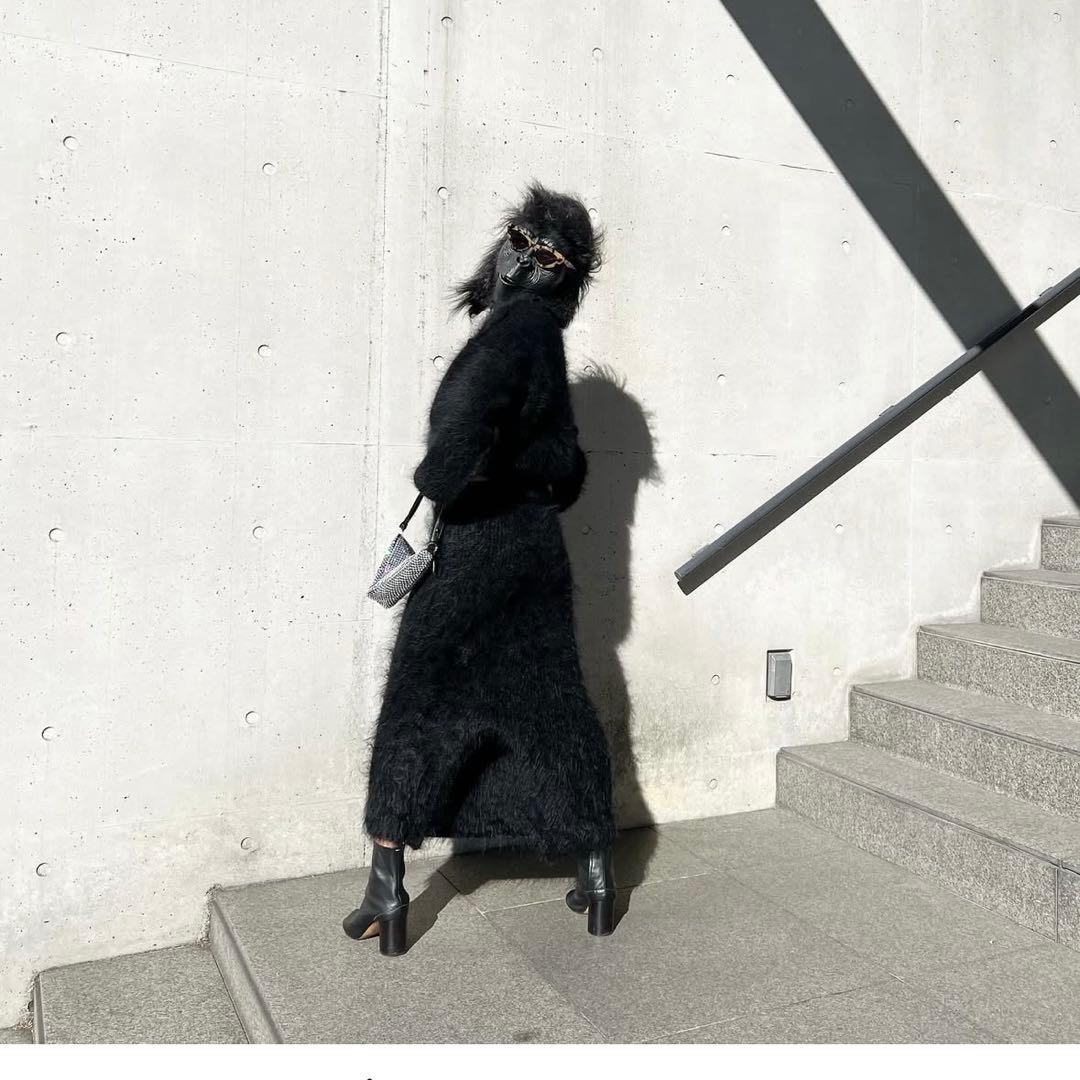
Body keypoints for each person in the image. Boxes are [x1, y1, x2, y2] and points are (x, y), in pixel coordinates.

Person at [343, 183, 618, 955]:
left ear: (559, 276)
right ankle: (597, 873)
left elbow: (469, 421)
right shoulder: (543, 338)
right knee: (551, 708)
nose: (522, 264)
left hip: (477, 545)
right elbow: (566, 466)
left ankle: (387, 888)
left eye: (544, 256)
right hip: (532, 548)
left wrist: (438, 484)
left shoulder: (515, 329)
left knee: (417, 705)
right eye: (523, 243)